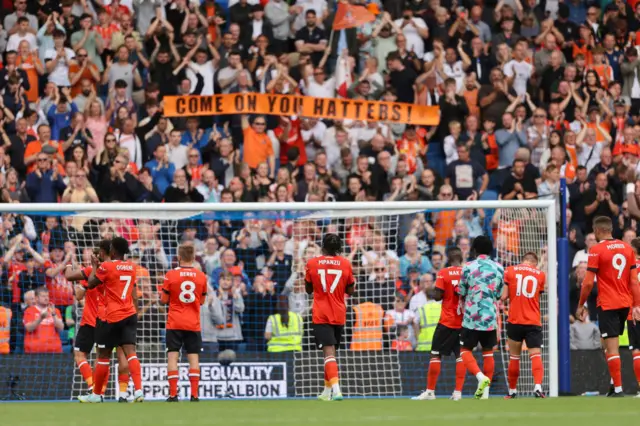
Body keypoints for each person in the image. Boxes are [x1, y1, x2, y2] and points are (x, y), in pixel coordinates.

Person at [577, 216, 640, 397]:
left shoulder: (596, 250)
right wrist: (635, 305)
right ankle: (614, 382)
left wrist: (581, 304)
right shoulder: (627, 248)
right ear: (611, 229)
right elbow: (634, 281)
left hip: (608, 304)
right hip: (625, 304)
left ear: (597, 231)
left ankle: (617, 389)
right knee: (606, 344)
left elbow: (588, 283)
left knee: (611, 347)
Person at [64, 239, 131, 399]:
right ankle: (118, 392)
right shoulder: (120, 270)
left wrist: (69, 263)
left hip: (90, 320)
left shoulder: (90, 271)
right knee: (108, 357)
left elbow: (78, 295)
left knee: (81, 355)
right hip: (114, 318)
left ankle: (93, 388)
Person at [79, 237, 142, 403]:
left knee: (103, 356)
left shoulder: (107, 266)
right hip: (129, 314)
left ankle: (97, 394)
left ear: (113, 251)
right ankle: (138, 391)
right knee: (131, 354)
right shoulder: (132, 267)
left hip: (111, 317)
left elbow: (91, 283)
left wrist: (94, 266)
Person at [305, 233, 355, 401]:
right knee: (331, 352)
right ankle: (326, 392)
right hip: (339, 312)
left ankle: (337, 390)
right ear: (339, 248)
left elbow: (308, 289)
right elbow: (350, 290)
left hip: (321, 313)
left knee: (328, 353)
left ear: (323, 247)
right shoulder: (346, 264)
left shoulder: (312, 263)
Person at [412, 247, 465, 401]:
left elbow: (437, 296)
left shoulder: (443, 273)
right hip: (462, 322)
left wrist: (435, 288)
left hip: (447, 321)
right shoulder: (468, 272)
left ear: (448, 259)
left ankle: (430, 391)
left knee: (436, 354)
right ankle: (458, 393)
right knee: (460, 356)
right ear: (461, 259)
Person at [160, 244, 208, 403]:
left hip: (174, 322)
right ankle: (194, 395)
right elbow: (201, 301)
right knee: (193, 358)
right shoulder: (202, 276)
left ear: (178, 258)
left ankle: (173, 395)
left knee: (172, 357)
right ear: (194, 258)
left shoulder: (170, 275)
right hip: (193, 323)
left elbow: (163, 300)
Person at [458, 235, 504, 399]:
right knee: (488, 353)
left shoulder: (468, 267)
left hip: (472, 316)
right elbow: (499, 294)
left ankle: (480, 377)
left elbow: (461, 291)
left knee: (464, 351)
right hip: (490, 317)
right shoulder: (499, 268)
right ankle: (486, 393)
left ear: (475, 250)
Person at [502, 251, 547, 399]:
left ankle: (512, 391)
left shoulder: (510, 270)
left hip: (515, 320)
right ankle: (538, 387)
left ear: (523, 261)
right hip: (533, 321)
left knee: (514, 357)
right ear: (534, 263)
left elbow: (504, 297)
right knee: (535, 355)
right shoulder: (540, 275)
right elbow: (537, 294)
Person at [23, 286, 64, 353]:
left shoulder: (55, 310)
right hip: (34, 351)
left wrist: (53, 314)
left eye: (47, 296)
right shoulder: (29, 310)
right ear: (36, 298)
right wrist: (40, 318)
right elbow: (29, 328)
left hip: (54, 350)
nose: (46, 298)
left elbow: (61, 328)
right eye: (43, 296)